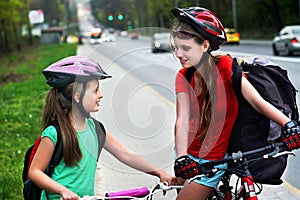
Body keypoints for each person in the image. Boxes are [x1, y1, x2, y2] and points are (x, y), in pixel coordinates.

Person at [170, 7, 299, 200]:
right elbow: (182, 121)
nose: (178, 54)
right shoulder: (183, 76)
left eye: (185, 48)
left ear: (205, 46)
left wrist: (288, 125)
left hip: (213, 160)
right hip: (187, 156)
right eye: (176, 48)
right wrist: (181, 158)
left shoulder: (227, 67)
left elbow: (257, 102)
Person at [28, 55, 176, 200]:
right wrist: (63, 191)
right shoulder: (54, 133)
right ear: (77, 97)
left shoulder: (96, 129)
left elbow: (125, 154)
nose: (100, 95)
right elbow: (35, 172)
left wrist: (159, 173)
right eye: (95, 90)